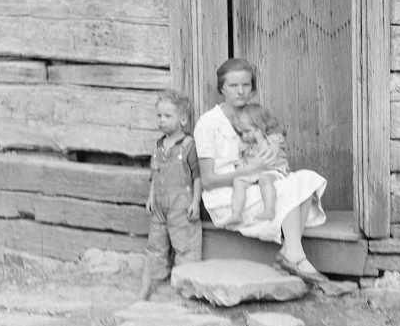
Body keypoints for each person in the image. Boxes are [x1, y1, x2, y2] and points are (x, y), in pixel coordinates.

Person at [193, 58, 327, 284]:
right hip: (228, 196)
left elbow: (272, 149)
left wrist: (271, 163)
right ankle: (293, 256)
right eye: (233, 86)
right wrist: (250, 170)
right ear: (221, 89)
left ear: (253, 88)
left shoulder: (254, 116)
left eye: (246, 85)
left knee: (306, 178)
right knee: (290, 189)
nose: (241, 90)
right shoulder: (208, 124)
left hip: (258, 185)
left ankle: (291, 251)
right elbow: (208, 181)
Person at [139, 90, 202, 300]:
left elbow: (197, 177)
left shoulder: (188, 145)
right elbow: (154, 174)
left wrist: (195, 202)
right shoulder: (158, 145)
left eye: (168, 116)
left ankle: (185, 292)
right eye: (159, 116)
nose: (162, 120)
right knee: (155, 245)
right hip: (159, 204)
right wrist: (151, 197)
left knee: (185, 246)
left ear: (182, 119)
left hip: (181, 204)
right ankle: (148, 288)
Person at [227, 103, 290, 227]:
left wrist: (260, 138)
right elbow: (242, 161)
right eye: (241, 133)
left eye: (247, 131)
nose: (244, 136)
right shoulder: (246, 144)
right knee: (238, 181)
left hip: (274, 170)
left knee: (265, 178)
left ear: (260, 127)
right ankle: (236, 214)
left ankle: (269, 210)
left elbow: (268, 156)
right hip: (256, 172)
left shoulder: (273, 139)